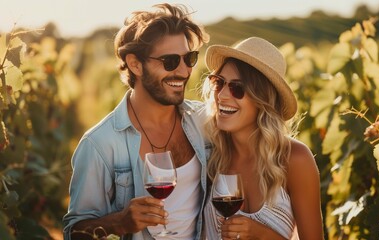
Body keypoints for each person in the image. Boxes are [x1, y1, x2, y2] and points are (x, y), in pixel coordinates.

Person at [63, 3, 210, 240]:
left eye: (189, 58)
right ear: (135, 64)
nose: (184, 71)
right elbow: (74, 233)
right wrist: (118, 223)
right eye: (170, 61)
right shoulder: (99, 144)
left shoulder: (203, 122)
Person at [202, 37, 324, 240]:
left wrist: (260, 234)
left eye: (237, 88)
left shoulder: (295, 159)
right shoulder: (210, 154)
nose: (222, 95)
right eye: (219, 83)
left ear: (262, 99)